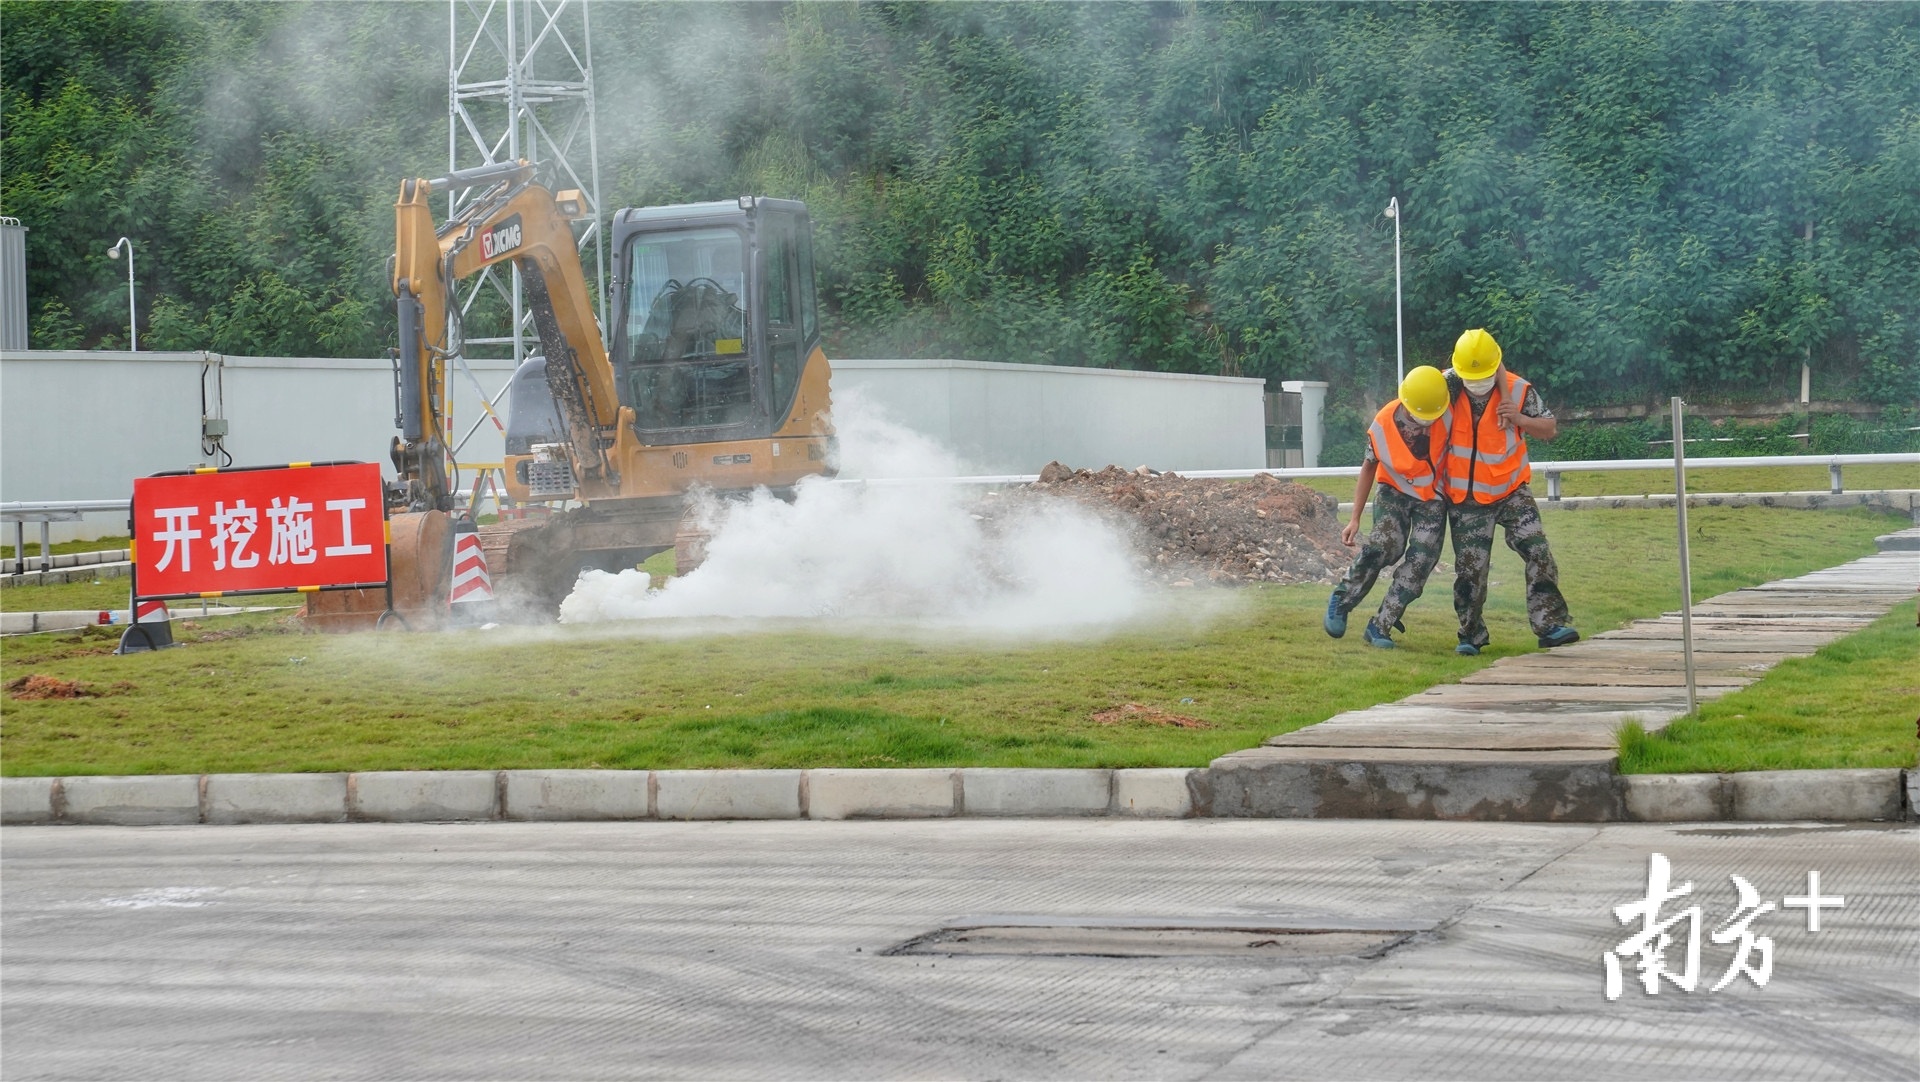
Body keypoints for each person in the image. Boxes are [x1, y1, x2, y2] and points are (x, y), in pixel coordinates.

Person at [1442, 328, 1579, 655]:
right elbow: (1414, 397)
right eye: (1470, 376)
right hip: (1467, 499)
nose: (1476, 383)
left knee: (1539, 551)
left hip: (1511, 492)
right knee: (1471, 571)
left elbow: (1549, 428)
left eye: (1484, 375)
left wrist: (1517, 418)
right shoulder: (1447, 385)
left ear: (1496, 367)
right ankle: (1470, 635)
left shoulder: (1519, 390)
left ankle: (1549, 625)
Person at [1324, 365, 1452, 649]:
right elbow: (1368, 468)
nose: (1426, 422)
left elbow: (1467, 368)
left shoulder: (1440, 394)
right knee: (1384, 547)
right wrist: (1354, 518)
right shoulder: (1382, 424)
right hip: (1393, 490)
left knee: (1422, 561)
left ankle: (1380, 625)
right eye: (1419, 417)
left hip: (1431, 496)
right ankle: (1342, 600)